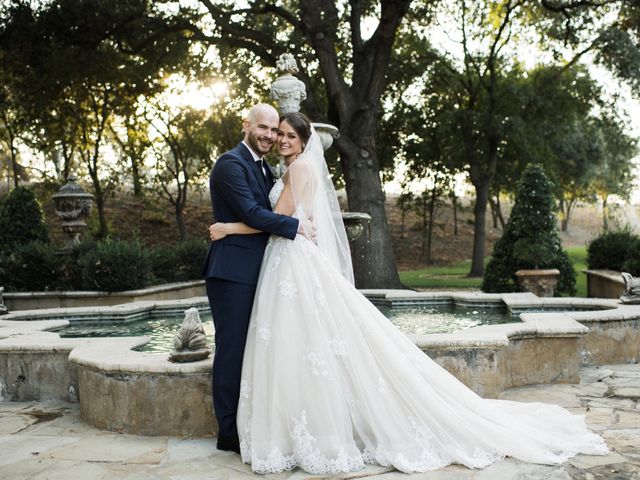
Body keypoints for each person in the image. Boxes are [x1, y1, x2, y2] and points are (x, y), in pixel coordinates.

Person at [208, 112, 608, 474]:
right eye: (275, 132)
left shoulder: (297, 172)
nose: (280, 139)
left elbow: (271, 218)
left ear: (303, 139)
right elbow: (276, 217)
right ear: (250, 126)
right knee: (295, 340)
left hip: (289, 260)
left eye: (288, 134)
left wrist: (229, 228)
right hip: (283, 261)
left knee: (298, 340)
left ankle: (297, 428)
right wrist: (269, 225)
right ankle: (281, 424)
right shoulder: (268, 167)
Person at [202, 104, 312, 454]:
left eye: (274, 130)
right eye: (263, 128)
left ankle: (253, 422)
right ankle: (228, 432)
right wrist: (297, 226)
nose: (270, 135)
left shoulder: (264, 168)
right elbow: (254, 213)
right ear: (246, 126)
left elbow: (266, 213)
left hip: (262, 271)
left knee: (259, 348)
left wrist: (233, 227)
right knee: (232, 350)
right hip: (233, 273)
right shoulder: (230, 164)